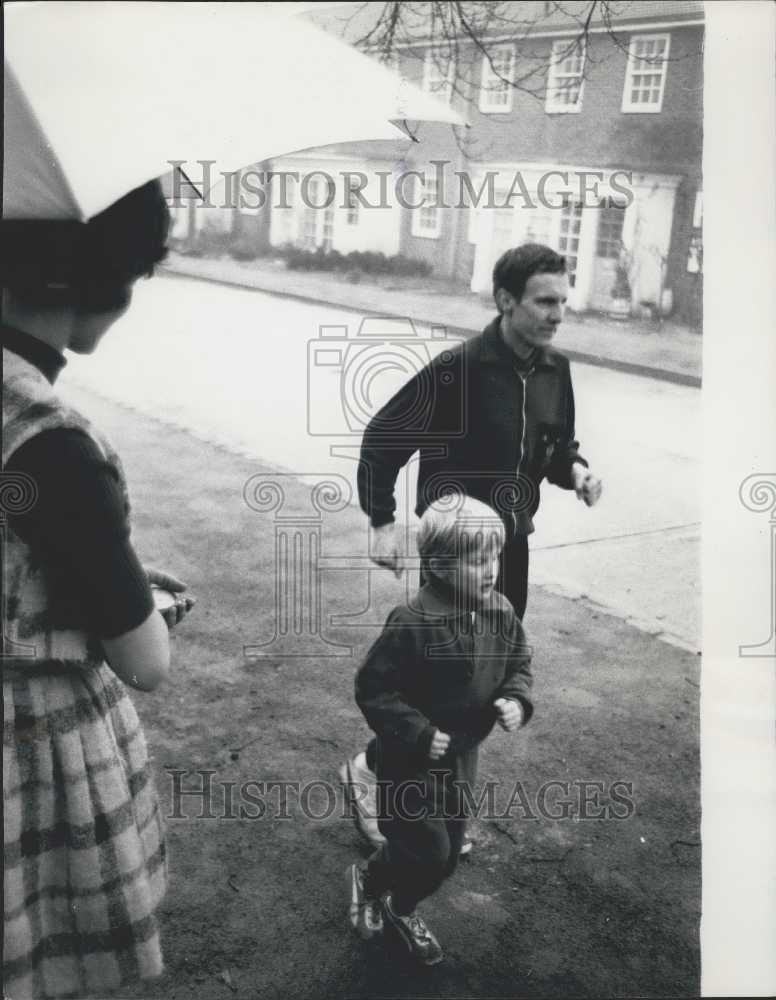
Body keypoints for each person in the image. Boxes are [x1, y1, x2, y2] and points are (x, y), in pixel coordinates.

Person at [340, 243, 602, 848]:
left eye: (563, 300)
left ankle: (432, 803)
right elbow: (385, 436)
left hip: (511, 546)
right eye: (544, 300)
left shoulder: (554, 370)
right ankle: (375, 773)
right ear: (506, 301)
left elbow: (555, 448)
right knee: (437, 676)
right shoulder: (458, 370)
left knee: (489, 672)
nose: (557, 313)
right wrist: (382, 519)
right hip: (455, 553)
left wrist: (578, 471)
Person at [2, 180, 194, 999]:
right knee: (33, 955)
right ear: (90, 280)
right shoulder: (51, 443)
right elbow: (145, 659)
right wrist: (151, 608)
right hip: (30, 750)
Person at [347, 495, 533, 965]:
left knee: (445, 858)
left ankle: (399, 905)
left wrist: (516, 699)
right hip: (409, 761)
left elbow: (518, 664)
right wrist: (417, 732)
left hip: (461, 760)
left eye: (493, 556)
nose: (490, 569)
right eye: (476, 561)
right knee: (425, 851)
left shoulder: (500, 612)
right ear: (440, 564)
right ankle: (369, 882)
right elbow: (374, 688)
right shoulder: (411, 622)